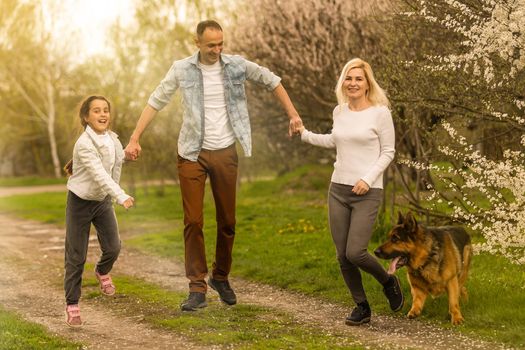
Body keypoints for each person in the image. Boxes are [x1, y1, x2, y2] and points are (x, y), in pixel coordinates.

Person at [124, 20, 302, 311]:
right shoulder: (181, 69)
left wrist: (293, 114)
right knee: (193, 221)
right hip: (192, 153)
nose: (217, 50)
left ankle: (220, 276)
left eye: (221, 44)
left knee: (228, 221)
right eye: (211, 46)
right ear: (197, 43)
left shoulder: (235, 65)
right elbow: (156, 101)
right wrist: (135, 137)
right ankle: (197, 287)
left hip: (225, 152)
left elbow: (272, 80)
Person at [298, 58, 403, 325]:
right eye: (349, 78)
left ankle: (388, 280)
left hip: (367, 191)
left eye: (359, 79)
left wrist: (367, 179)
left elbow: (388, 151)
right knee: (342, 256)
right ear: (342, 82)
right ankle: (362, 307)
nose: (353, 83)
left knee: (355, 252)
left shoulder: (380, 113)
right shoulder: (339, 111)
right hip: (338, 189)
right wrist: (304, 134)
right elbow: (335, 140)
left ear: (368, 84)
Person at [64, 95, 134, 327]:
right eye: (96, 111)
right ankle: (72, 304)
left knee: (113, 247)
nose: (103, 114)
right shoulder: (83, 144)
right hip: (80, 202)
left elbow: (113, 159)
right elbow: (100, 174)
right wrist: (121, 195)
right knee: (76, 256)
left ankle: (102, 271)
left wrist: (127, 155)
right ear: (86, 117)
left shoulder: (112, 139)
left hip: (102, 201)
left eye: (105, 110)